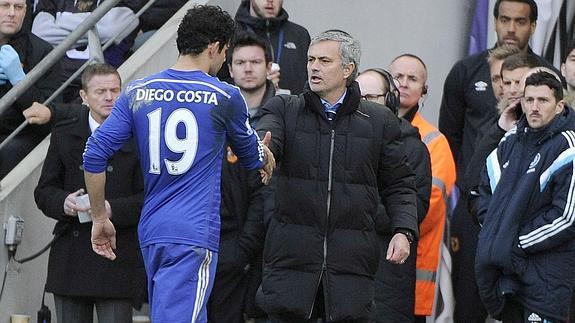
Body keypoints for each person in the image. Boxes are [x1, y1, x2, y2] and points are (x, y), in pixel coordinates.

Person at [82, 5, 275, 323]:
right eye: (225, 52)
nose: (224, 61)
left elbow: (93, 155)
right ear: (214, 47)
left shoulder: (136, 92)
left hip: (153, 230)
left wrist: (99, 216)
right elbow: (253, 156)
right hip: (193, 234)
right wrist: (265, 156)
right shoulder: (224, 95)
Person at [255, 29, 418, 322]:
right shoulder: (285, 108)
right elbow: (268, 137)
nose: (313, 66)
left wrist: (403, 231)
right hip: (291, 265)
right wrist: (264, 153)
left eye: (324, 60)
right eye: (310, 59)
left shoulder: (379, 121)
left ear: (347, 69)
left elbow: (400, 185)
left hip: (351, 271)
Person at [438, 2, 557, 320]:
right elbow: (450, 138)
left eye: (520, 21)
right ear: (494, 22)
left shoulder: (548, 76)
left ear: (533, 25)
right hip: (474, 209)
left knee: (526, 306)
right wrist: (472, 194)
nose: (511, 28)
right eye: (504, 19)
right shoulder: (466, 70)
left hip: (529, 214)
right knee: (469, 303)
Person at [34, 63, 146, 323]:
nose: (109, 97)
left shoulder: (139, 135)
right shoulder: (64, 134)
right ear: (84, 96)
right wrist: (65, 202)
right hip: (72, 257)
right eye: (101, 91)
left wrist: (109, 209)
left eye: (115, 90)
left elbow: (148, 197)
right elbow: (44, 190)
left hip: (118, 253)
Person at [476, 70, 575, 322]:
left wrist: (514, 243)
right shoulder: (510, 142)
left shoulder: (568, 146)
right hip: (506, 278)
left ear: (559, 105)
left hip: (546, 281)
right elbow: (482, 192)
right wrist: (496, 235)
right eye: (528, 100)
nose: (534, 107)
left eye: (543, 101)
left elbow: (566, 216)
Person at [207, 32, 275, 323]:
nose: (248, 68)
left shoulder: (285, 112)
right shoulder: (213, 112)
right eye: (241, 62)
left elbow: (264, 194)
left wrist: (243, 248)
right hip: (211, 243)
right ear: (230, 68)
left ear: (269, 67)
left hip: (256, 250)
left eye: (255, 61)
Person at [357, 68, 432, 322]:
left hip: (388, 277)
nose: (362, 104)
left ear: (389, 100)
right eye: (356, 96)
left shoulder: (412, 148)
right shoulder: (341, 141)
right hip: (345, 274)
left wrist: (354, 206)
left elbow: (413, 209)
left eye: (370, 97)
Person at [389, 54, 457, 321]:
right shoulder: (370, 127)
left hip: (412, 267)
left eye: (412, 79)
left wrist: (386, 225)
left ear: (424, 90)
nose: (403, 84)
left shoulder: (435, 141)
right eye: (398, 77)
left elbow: (429, 206)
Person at [31, 0, 141, 102]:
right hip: (58, 86)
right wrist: (95, 23)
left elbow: (110, 28)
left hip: (100, 89)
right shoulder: (52, 2)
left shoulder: (120, 3)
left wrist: (59, 25)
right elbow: (39, 34)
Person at [0, 0, 61, 178]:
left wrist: (20, 80)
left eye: (18, 7)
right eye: (5, 5)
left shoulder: (42, 51)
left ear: (26, 11)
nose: (12, 13)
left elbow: (49, 111)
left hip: (19, 135)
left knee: (10, 150)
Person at [231, 0, 310, 94]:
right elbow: (218, 81)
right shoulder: (231, 33)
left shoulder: (300, 35)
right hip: (244, 106)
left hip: (292, 106)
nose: (270, 1)